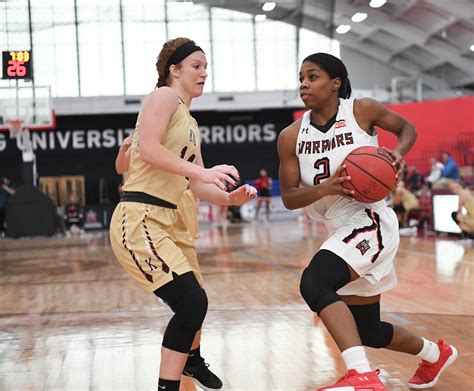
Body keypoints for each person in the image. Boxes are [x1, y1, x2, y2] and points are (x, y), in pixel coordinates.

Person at [277, 52, 457, 390]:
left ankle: (361, 374)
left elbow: (407, 128)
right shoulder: (291, 136)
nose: (303, 83)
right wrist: (328, 187)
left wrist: (398, 154)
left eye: (312, 76)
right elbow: (289, 197)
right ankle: (436, 354)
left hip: (370, 220)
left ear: (336, 82)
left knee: (313, 283)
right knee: (368, 331)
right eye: (300, 77)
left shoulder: (361, 110)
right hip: (338, 226)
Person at [109, 37, 257, 391]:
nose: (204, 73)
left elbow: (196, 184)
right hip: (140, 219)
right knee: (192, 302)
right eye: (196, 66)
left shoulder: (189, 120)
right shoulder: (163, 96)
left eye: (206, 67)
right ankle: (176, 378)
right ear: (174, 70)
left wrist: (229, 199)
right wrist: (205, 174)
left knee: (195, 302)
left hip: (165, 220)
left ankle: (189, 364)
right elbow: (148, 150)